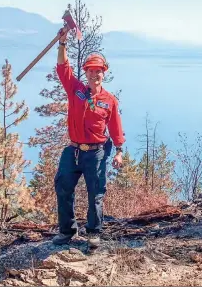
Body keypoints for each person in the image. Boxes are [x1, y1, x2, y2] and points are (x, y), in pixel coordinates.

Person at [52, 27, 125, 248]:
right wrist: (62, 44)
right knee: (62, 187)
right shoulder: (76, 90)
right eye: (90, 71)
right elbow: (63, 68)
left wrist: (119, 151)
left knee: (96, 193)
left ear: (104, 73)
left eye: (98, 71)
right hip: (73, 151)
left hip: (96, 152)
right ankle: (67, 231)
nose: (94, 74)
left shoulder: (109, 100)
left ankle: (93, 233)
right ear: (86, 72)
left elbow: (115, 127)